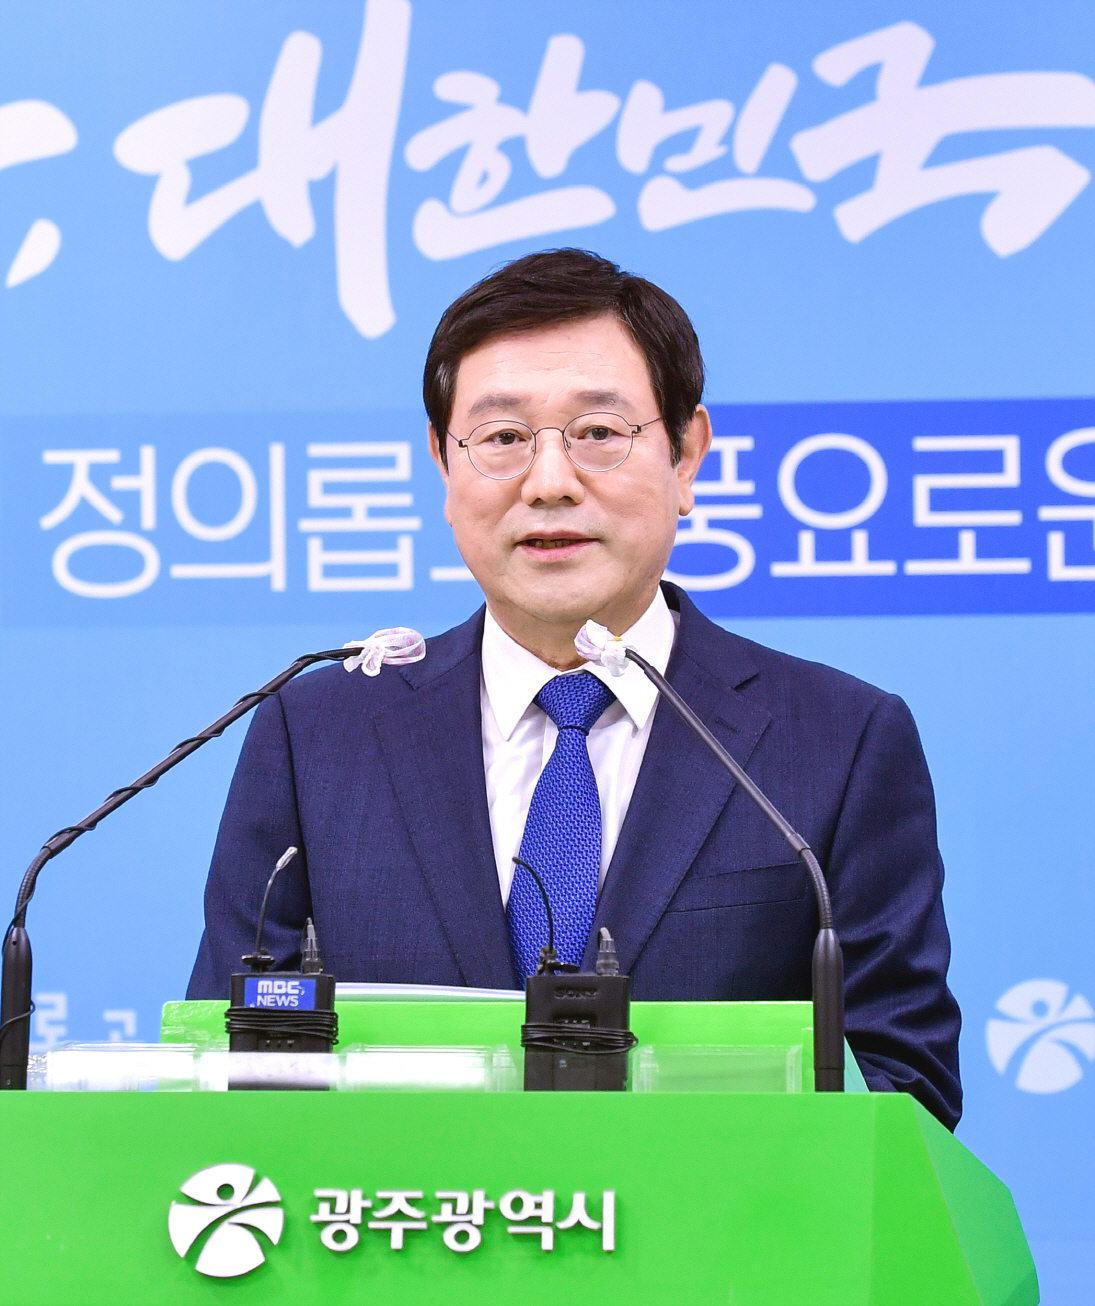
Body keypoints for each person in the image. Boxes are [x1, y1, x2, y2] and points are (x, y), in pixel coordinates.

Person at [188, 249, 962, 1128]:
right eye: (502, 439)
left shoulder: (836, 740)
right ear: (443, 463)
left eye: (597, 432)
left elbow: (902, 1088)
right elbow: (223, 1070)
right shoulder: (317, 734)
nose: (549, 482)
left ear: (685, 456)